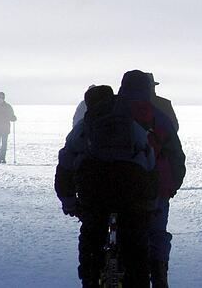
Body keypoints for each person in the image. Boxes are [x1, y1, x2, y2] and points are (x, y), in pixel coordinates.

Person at [55, 84, 158, 288]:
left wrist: (69, 203)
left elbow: (64, 168)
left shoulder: (82, 130)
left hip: (93, 194)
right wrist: (149, 204)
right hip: (131, 194)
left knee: (92, 239)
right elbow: (150, 165)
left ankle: (91, 279)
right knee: (135, 247)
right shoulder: (132, 126)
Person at [119, 71, 186, 288]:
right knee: (157, 234)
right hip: (156, 186)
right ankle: (159, 278)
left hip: (116, 187)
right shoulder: (160, 110)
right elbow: (175, 151)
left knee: (125, 233)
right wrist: (172, 185)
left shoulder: (110, 110)